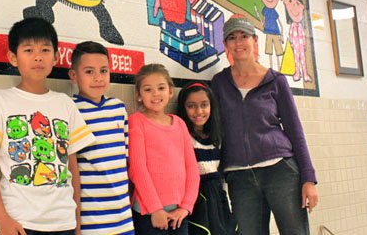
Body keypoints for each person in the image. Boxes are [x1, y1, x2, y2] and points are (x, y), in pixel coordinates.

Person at [0, 17, 95, 235]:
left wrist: (77, 220)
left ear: (55, 57)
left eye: (45, 50)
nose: (37, 57)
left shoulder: (65, 104)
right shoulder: (0, 101)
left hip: (64, 222)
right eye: (28, 50)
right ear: (13, 58)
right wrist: (2, 219)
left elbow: (72, 167)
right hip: (20, 222)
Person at [211, 16, 318, 235]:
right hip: (239, 177)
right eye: (232, 37)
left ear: (254, 40)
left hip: (281, 171)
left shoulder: (275, 80)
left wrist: (309, 178)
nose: (238, 42)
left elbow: (295, 131)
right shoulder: (219, 83)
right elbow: (215, 130)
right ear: (226, 45)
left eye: (244, 36)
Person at [70, 41, 134, 235]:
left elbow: (124, 159)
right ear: (74, 76)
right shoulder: (70, 109)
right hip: (90, 220)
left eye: (103, 71)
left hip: (123, 219)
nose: (98, 78)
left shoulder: (118, 108)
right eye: (89, 72)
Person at [128, 63, 199, 235]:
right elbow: (138, 169)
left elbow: (192, 168)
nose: (155, 94)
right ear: (139, 95)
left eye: (161, 87)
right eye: (148, 89)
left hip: (179, 214)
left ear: (170, 91)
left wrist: (186, 207)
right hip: (149, 213)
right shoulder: (136, 122)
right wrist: (155, 209)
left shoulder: (179, 123)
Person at [176, 81, 236, 235]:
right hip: (195, 196)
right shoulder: (182, 135)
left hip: (217, 193)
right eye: (191, 106)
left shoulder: (217, 136)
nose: (199, 111)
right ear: (183, 108)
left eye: (204, 105)